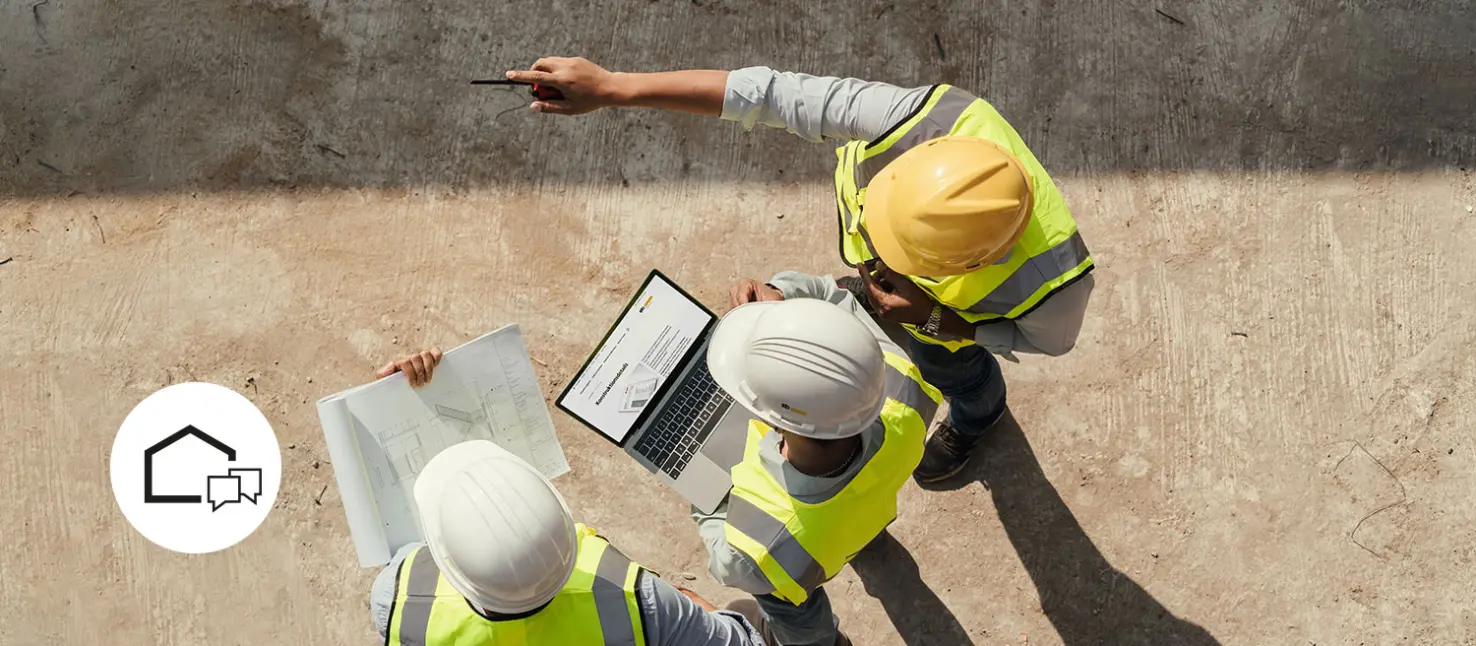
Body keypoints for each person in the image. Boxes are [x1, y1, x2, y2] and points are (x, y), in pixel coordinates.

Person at [504, 58, 1095, 483]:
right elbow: (768, 94)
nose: (872, 259)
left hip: (944, 326)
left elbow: (1048, 345)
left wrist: (943, 322)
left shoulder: (1056, 290)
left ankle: (979, 414)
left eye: (896, 255)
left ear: (971, 261)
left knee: (959, 374)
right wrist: (613, 87)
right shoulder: (919, 119)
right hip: (922, 305)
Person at [367, 351, 767, 646]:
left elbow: (407, 540)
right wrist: (683, 606)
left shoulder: (398, 598)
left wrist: (392, 402)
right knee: (753, 615)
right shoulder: (636, 598)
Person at [692, 273, 943, 646]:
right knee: (852, 517)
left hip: (800, 558)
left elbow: (724, 555)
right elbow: (836, 302)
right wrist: (784, 298)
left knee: (793, 611)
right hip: (857, 514)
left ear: (765, 419)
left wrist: (696, 485)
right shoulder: (901, 385)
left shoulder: (757, 551)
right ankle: (865, 541)